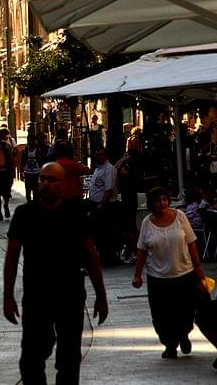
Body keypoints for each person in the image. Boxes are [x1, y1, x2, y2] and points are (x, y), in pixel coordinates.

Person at [4, 162, 108, 385]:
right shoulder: (25, 214)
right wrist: (8, 296)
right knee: (31, 358)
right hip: (35, 295)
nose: (45, 183)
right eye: (42, 179)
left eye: (51, 179)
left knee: (69, 357)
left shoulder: (76, 213)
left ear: (63, 184)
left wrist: (101, 295)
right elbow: (12, 256)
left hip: (69, 294)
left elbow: (91, 255)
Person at [132, 186, 206, 359]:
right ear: (152, 204)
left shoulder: (180, 217)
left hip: (184, 273)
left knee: (185, 311)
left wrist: (198, 269)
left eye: (165, 199)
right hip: (158, 277)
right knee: (161, 315)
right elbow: (142, 251)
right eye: (158, 200)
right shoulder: (147, 223)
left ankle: (183, 335)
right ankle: (169, 344)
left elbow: (191, 243)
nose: (162, 203)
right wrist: (137, 275)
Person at [86, 147, 120, 263]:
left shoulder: (109, 170)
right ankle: (102, 255)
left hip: (105, 205)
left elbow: (109, 189)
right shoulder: (98, 169)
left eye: (100, 155)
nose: (98, 157)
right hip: (95, 204)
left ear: (105, 156)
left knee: (105, 232)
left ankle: (108, 257)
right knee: (98, 232)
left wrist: (102, 203)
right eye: (97, 155)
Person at [21, 134, 43, 203]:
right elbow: (23, 161)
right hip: (28, 173)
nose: (30, 142)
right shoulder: (25, 150)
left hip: (36, 173)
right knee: (28, 192)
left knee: (36, 192)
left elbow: (41, 161)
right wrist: (22, 172)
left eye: (31, 141)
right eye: (28, 141)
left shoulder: (38, 150)